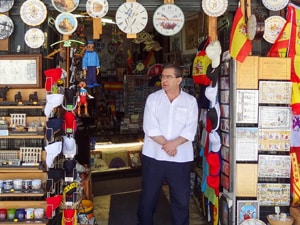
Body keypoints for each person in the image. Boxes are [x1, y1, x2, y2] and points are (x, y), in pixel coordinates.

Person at [137, 64, 199, 225]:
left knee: (181, 199)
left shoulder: (190, 101)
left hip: (180, 159)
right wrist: (167, 145)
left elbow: (191, 129)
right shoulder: (153, 99)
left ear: (179, 80)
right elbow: (149, 127)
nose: (163, 80)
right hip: (154, 156)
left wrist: (175, 145)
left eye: (168, 77)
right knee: (148, 197)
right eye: (162, 77)